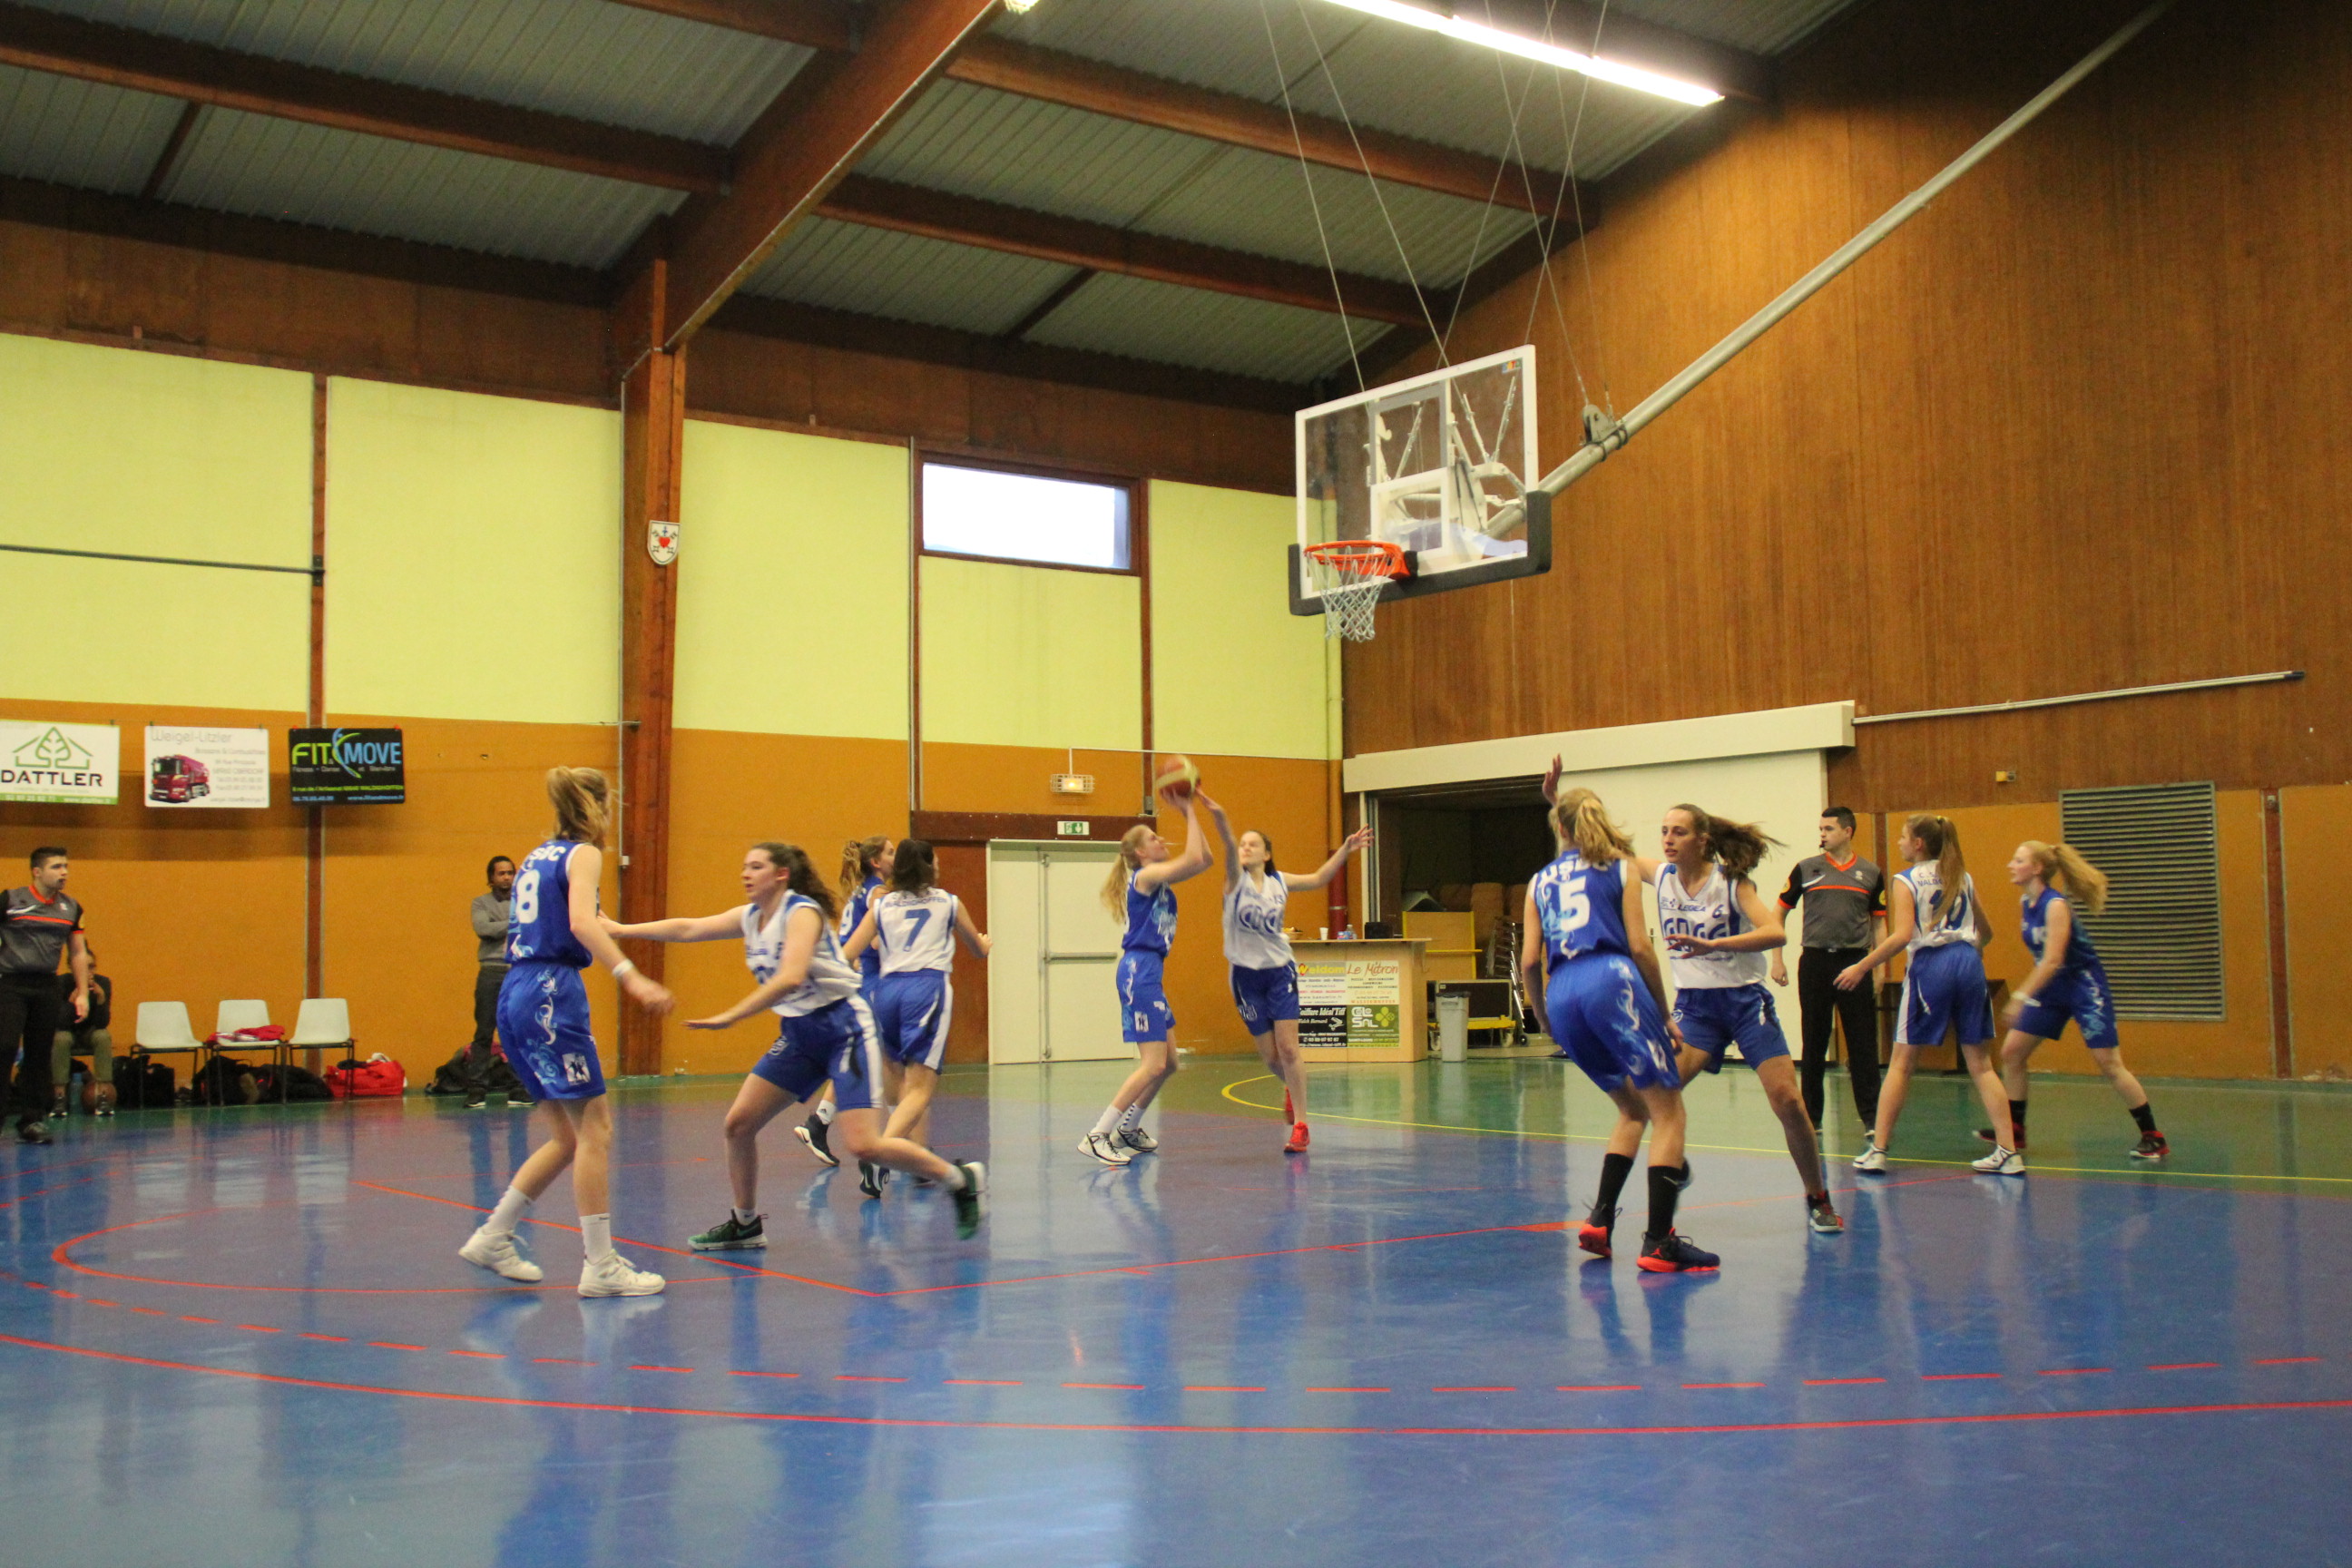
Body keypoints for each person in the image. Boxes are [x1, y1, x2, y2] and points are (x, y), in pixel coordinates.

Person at [604, 841, 985, 1245]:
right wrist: (622, 930)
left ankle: (958, 1178)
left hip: (844, 1029)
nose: (745, 873)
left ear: (781, 874)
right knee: (738, 1124)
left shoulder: (802, 913)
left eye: (756, 866)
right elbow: (689, 929)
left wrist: (733, 1015)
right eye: (745, 866)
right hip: (801, 1033)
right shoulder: (752, 917)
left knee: (864, 1145)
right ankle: (745, 1224)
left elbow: (791, 976)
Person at [458, 769, 674, 1297]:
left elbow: (593, 920)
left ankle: (494, 1235)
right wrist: (630, 974)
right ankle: (600, 1265)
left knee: (567, 1138)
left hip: (515, 989)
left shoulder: (537, 857)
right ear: (598, 809)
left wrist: (623, 931)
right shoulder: (586, 854)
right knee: (596, 1129)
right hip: (552, 991)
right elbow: (581, 923)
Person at [1519, 789, 1715, 1272]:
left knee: (1631, 1108)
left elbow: (1529, 961)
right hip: (1611, 980)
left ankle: (1600, 1221)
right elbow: (1641, 948)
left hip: (1563, 993)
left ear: (1559, 828)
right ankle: (1659, 1242)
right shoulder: (1621, 867)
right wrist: (1664, 1012)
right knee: (1668, 1112)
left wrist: (1541, 1014)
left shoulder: (1539, 881)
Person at [1647, 806, 1843, 1235]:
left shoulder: (1732, 882)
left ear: (1702, 840)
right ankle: (1673, 1164)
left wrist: (1713, 944)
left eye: (1678, 832)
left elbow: (1775, 932)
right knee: (1659, 1091)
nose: (1668, 839)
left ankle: (1817, 1196)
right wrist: (1557, 805)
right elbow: (1604, 850)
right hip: (1696, 1007)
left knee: (1787, 1100)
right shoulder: (1660, 876)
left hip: (1744, 1002)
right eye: (1664, 831)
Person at [1838, 814, 2019, 1175]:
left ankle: (1878, 1150)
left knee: (1902, 1063)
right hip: (1968, 962)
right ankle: (2009, 1153)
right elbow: (1986, 932)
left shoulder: (1906, 879)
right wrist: (1966, 954)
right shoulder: (1962, 876)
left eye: (1903, 837)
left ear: (1918, 844)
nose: (1900, 842)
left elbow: (1902, 936)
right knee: (1982, 1065)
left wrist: (1862, 966)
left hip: (1931, 965)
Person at [1990, 840, 2168, 1161]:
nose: (2010, 865)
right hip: (2052, 989)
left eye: (2018, 860)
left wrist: (2021, 995)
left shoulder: (2055, 905)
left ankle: (2152, 1136)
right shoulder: (2026, 902)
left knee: (2109, 1063)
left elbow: (2053, 959)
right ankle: (2015, 1130)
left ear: (2037, 868)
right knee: (2012, 1052)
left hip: (2083, 986)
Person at [1208, 809, 1370, 1154]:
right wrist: (1219, 816)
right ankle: (1290, 1086)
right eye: (1243, 844)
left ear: (1267, 854)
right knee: (1270, 1057)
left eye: (1253, 844)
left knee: (1289, 1049)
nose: (1245, 848)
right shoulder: (1234, 883)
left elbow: (1319, 878)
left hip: (1280, 970)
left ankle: (1301, 1126)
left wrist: (1345, 849)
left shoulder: (1279, 881)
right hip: (1245, 977)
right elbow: (1227, 846)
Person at [1080, 789, 1217, 1167]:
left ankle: (1128, 1128)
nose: (1161, 841)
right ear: (1141, 852)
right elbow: (1194, 857)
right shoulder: (1147, 875)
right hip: (1139, 971)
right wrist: (1188, 811)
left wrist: (1194, 815)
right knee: (1153, 1064)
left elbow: (1205, 860)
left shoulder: (1157, 879)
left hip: (1150, 972)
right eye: (1154, 838)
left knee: (1169, 1062)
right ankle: (1097, 1134)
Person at [840, 838, 990, 1171]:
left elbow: (847, 954)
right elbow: (977, 949)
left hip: (886, 992)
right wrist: (985, 943)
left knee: (903, 1083)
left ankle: (915, 1153)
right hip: (925, 989)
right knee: (920, 1089)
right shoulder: (948, 903)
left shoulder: (882, 905)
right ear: (929, 866)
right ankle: (879, 1153)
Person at [1769, 808, 1886, 1136]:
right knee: (1814, 1042)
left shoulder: (1870, 873)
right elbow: (1778, 914)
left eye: (1829, 828)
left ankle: (1872, 1119)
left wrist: (1878, 968)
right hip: (1815, 962)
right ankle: (1812, 1117)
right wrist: (1777, 959)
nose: (1822, 834)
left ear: (1848, 832)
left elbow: (1879, 924)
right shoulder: (1806, 869)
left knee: (1863, 1045)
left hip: (1855, 963)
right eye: (1820, 828)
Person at [797, 836, 893, 1172]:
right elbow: (877, 941)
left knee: (862, 1057)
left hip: (855, 978)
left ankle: (820, 1122)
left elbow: (847, 938)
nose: (895, 857)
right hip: (870, 981)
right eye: (890, 852)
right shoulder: (879, 894)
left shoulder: (858, 892)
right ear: (876, 862)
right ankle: (894, 1141)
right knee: (886, 1064)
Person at [2, 847, 92, 1145]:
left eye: (66, 866)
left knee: (39, 1054)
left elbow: (77, 952)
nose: (64, 872)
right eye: (56, 867)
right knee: (4, 1047)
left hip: (46, 987)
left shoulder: (71, 908)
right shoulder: (10, 900)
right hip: (10, 984)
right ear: (37, 872)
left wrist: (82, 992)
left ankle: (31, 1120)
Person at [464, 856, 528, 1110]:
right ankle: (477, 1090)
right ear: (491, 878)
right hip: (491, 972)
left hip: (518, 972)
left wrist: (506, 924)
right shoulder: (481, 903)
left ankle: (519, 1088)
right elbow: (484, 929)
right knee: (484, 1032)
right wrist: (518, 922)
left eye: (510, 873)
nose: (507, 877)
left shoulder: (525, 902)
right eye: (501, 873)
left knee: (516, 1031)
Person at [51, 946, 113, 1116]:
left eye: (91, 967)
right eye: (83, 967)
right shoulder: (61, 983)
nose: (88, 972)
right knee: (60, 1039)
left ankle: (103, 1096)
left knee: (103, 1036)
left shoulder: (103, 983)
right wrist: (71, 1004)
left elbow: (102, 1024)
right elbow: (60, 1023)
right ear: (72, 967)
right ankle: (59, 1098)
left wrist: (101, 999)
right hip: (68, 1030)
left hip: (89, 1031)